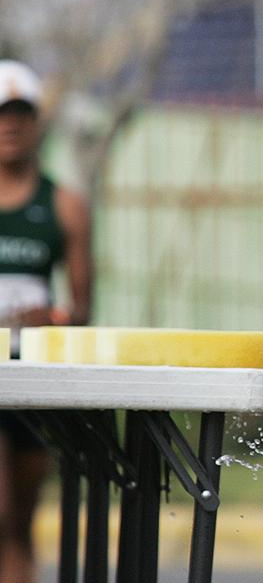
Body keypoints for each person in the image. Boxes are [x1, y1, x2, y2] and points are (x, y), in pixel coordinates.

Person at [0, 60, 92, 583]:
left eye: (20, 113)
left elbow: (81, 312)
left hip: (33, 379)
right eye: (1, 114)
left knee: (18, 524)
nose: (9, 124)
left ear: (36, 123)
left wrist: (51, 318)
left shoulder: (64, 206)